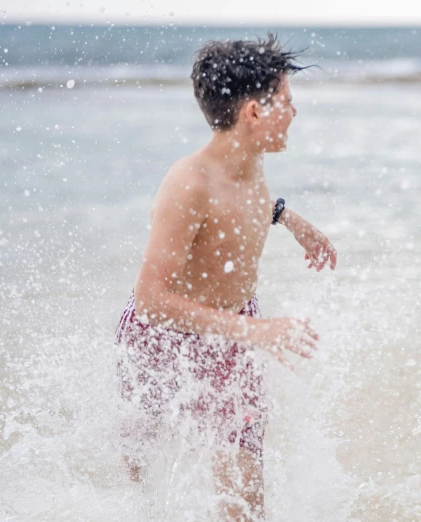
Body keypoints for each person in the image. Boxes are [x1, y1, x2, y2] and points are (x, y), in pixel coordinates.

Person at [114, 35, 336, 520]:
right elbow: (150, 300)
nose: (295, 114)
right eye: (288, 103)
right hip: (162, 341)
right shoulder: (188, 183)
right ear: (254, 113)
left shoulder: (251, 159)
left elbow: (245, 203)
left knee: (244, 493)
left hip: (234, 339)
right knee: (142, 481)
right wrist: (257, 331)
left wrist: (290, 220)